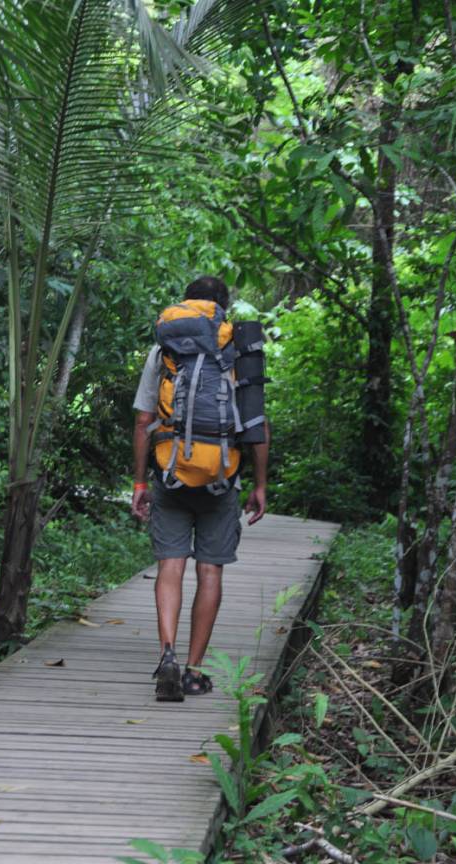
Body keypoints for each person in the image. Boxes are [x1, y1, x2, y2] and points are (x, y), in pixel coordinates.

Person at [131, 276, 269, 701]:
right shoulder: (238, 349)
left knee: (170, 566)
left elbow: (142, 420)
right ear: (222, 307)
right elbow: (256, 424)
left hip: (170, 473)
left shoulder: (164, 348)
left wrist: (139, 480)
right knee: (209, 571)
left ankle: (167, 653)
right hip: (220, 480)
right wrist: (260, 484)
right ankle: (192, 670)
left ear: (186, 302)